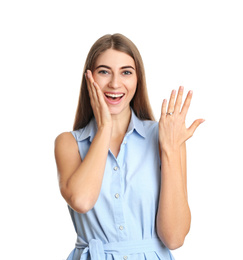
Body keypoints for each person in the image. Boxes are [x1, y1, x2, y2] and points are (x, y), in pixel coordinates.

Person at [54, 33, 204, 260]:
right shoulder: (68, 143)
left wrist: (170, 150)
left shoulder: (165, 137)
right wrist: (104, 128)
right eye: (104, 71)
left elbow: (174, 237)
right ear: (89, 78)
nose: (115, 83)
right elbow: (82, 201)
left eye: (126, 72)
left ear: (138, 80)